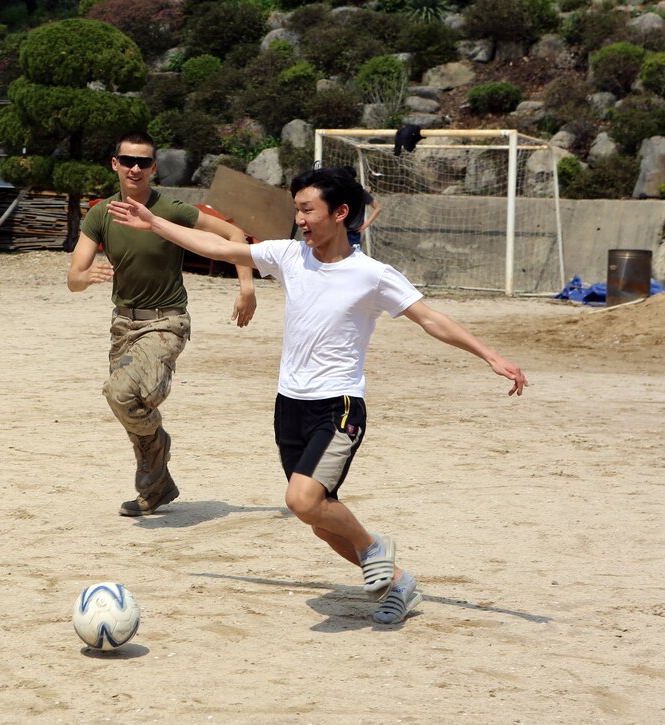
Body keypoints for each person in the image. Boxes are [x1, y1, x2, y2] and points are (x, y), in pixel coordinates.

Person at [106, 167, 527, 624]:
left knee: (302, 501)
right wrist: (156, 223)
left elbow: (430, 319)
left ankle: (373, 548)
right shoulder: (290, 256)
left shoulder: (372, 274)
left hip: (339, 406)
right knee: (320, 520)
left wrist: (489, 355)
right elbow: (221, 246)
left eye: (308, 210)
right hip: (289, 407)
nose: (300, 219)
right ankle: (397, 583)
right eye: (297, 211)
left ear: (340, 213)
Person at [68, 131, 258, 516]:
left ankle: (155, 448)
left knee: (126, 395)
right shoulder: (101, 214)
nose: (135, 168)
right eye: (127, 161)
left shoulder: (169, 210)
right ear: (115, 164)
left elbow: (233, 233)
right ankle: (157, 484)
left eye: (143, 162)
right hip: (123, 325)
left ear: (154, 168)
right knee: (125, 402)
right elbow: (74, 276)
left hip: (166, 323)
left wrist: (247, 287)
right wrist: (85, 278)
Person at [343, 168, 381, 249]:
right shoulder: (338, 192)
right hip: (339, 232)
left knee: (353, 258)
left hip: (353, 233)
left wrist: (366, 224)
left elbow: (377, 208)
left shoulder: (361, 193)